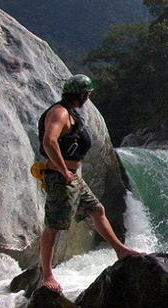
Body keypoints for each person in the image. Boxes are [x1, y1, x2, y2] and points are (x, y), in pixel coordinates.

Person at [37, 74, 140, 293]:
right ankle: (46, 275)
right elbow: (49, 141)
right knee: (53, 227)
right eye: (88, 94)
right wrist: (64, 170)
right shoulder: (60, 112)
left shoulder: (71, 112)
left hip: (73, 177)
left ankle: (120, 250)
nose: (89, 97)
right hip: (61, 177)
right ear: (82, 95)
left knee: (97, 209)